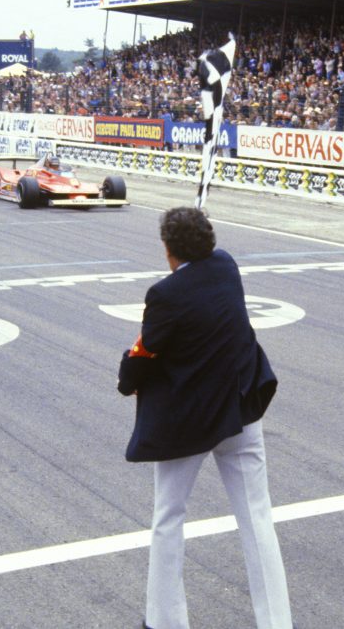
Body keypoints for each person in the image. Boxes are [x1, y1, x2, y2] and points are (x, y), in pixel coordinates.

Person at [118, 207, 293, 629]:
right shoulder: (226, 266)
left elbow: (144, 355)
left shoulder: (164, 295)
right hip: (240, 412)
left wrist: (127, 376)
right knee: (257, 519)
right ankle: (277, 623)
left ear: (167, 249)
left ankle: (165, 622)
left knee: (169, 517)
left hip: (190, 424)